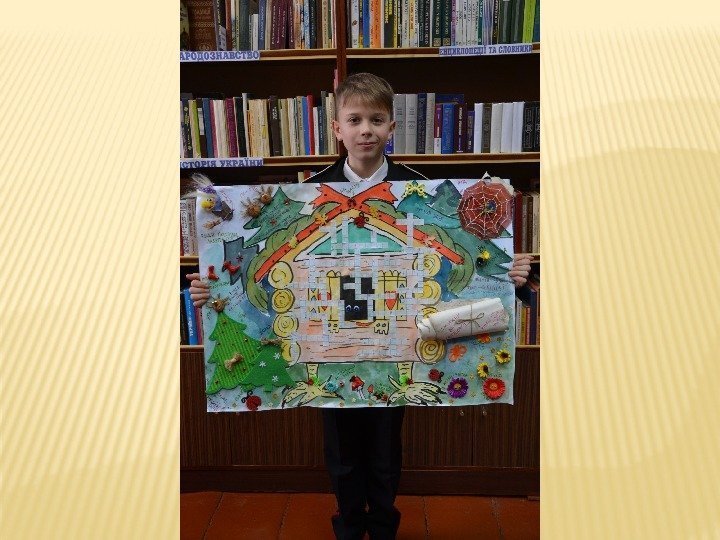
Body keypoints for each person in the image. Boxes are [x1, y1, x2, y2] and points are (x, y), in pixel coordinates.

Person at [186, 73, 532, 539]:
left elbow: (472, 268)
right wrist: (214, 293)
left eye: (376, 119)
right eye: (354, 120)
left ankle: (384, 525)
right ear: (337, 128)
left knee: (386, 449)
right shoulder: (308, 195)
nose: (365, 129)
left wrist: (512, 276)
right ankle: (349, 525)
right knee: (342, 452)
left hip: (397, 345)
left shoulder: (423, 192)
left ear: (391, 127)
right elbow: (251, 267)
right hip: (330, 348)